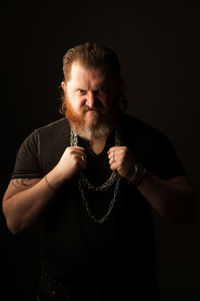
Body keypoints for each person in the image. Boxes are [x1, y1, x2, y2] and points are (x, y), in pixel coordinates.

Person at [2, 41, 197, 301]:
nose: (91, 101)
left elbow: (187, 212)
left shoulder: (150, 140)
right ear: (65, 89)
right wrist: (57, 175)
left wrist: (139, 175)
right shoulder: (39, 142)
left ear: (118, 88)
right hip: (59, 295)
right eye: (80, 91)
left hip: (135, 295)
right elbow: (14, 221)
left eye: (101, 90)